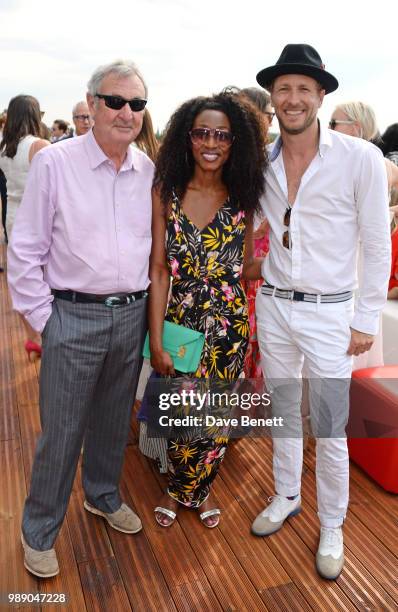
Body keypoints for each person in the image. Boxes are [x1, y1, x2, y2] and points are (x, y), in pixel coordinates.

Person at [7, 59, 154, 578]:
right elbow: (24, 251)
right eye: (115, 100)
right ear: (91, 104)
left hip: (131, 315)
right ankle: (39, 530)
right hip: (72, 315)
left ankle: (102, 495)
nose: (126, 112)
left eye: (136, 103)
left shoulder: (148, 171)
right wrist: (46, 320)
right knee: (62, 432)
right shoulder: (56, 162)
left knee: (115, 421)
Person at [251, 44, 390, 580]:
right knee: (284, 412)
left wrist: (365, 316)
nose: (293, 99)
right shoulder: (260, 159)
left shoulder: (360, 159)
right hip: (275, 305)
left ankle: (332, 522)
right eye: (283, 89)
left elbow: (378, 243)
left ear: (321, 94)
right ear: (272, 97)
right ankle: (286, 494)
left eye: (303, 89)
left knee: (330, 427)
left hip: (332, 314)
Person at [149, 92, 266, 527]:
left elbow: (246, 265)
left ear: (236, 142)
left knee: (215, 413)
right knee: (181, 409)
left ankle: (198, 490)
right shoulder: (167, 191)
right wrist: (157, 338)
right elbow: (159, 270)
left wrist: (288, 260)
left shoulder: (243, 196)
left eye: (222, 134)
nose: (211, 142)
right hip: (181, 319)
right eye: (202, 132)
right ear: (187, 137)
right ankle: (178, 486)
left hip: (230, 324)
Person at [0, 95, 50, 357]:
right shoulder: (39, 146)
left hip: (12, 216)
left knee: (20, 279)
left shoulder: (4, 147)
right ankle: (46, 334)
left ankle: (32, 337)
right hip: (36, 218)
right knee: (44, 278)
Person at [239, 87, 273, 378]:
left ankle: (247, 417)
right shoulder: (222, 159)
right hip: (231, 272)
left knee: (259, 344)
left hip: (262, 269)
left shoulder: (274, 160)